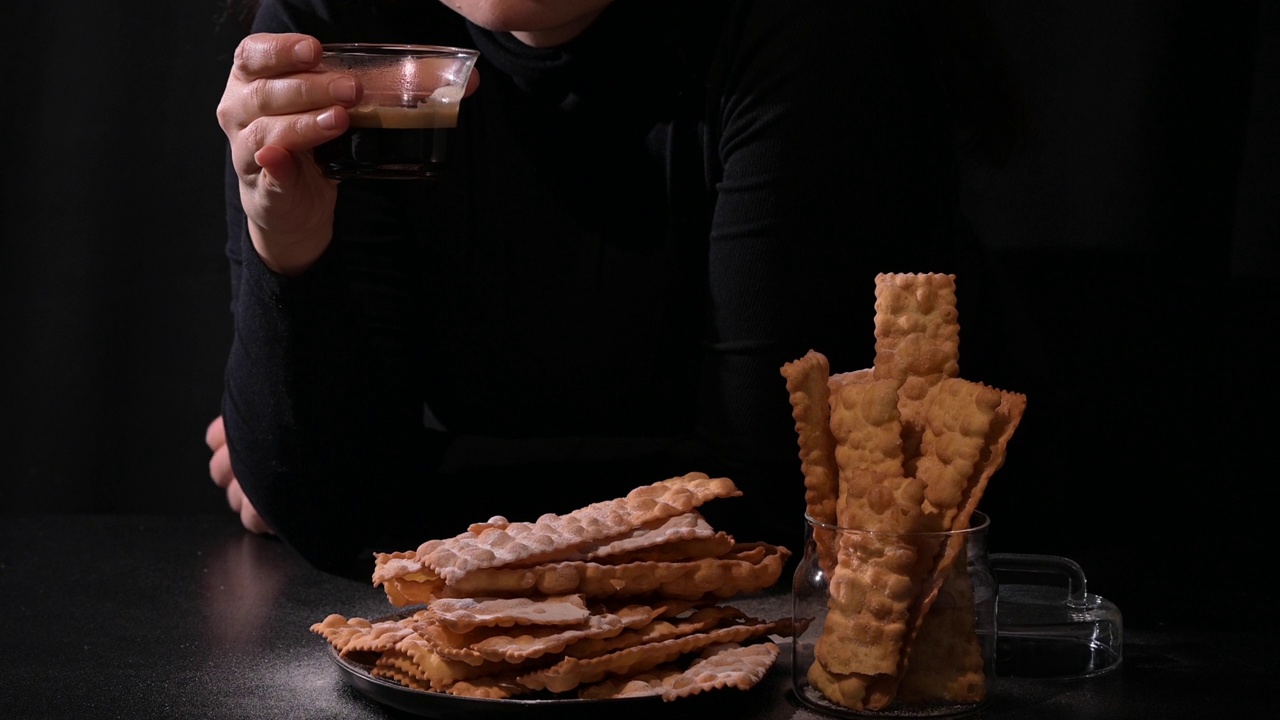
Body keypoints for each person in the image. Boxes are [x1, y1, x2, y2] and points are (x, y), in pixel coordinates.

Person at [209, 0, 1008, 577]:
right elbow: (330, 505)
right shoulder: (328, 38)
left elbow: (770, 505)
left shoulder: (806, 32)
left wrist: (407, 484)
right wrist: (288, 247)